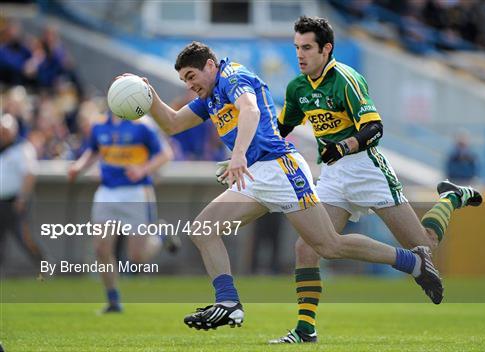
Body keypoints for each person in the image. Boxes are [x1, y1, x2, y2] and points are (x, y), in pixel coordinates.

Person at [142, 41, 446, 331]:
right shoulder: (209, 97)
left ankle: (412, 261)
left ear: (210, 65)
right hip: (255, 174)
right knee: (203, 230)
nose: (189, 85)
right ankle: (228, 302)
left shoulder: (232, 75)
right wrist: (148, 94)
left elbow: (250, 110)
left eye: (191, 76)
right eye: (184, 80)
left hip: (279, 169)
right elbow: (172, 124)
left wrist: (237, 156)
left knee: (328, 245)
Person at [266, 16, 483, 344]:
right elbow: (279, 131)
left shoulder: (346, 79)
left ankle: (451, 197)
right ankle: (305, 329)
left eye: (307, 47)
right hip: (334, 175)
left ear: (326, 49)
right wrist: (244, 155)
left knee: (424, 243)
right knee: (307, 247)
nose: (300, 54)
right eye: (297, 47)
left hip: (367, 169)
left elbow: (374, 129)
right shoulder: (297, 87)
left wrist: (343, 145)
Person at [68, 112, 174, 313]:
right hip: (107, 192)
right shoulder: (99, 126)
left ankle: (159, 235)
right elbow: (92, 152)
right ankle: (113, 300)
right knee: (101, 248)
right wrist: (78, 167)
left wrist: (143, 170)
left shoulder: (142, 126)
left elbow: (165, 154)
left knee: (136, 257)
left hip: (135, 193)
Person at [0, 113, 45, 271]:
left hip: (16, 201)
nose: (3, 134)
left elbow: (30, 173)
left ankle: (42, 266)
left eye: (6, 131)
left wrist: (22, 198)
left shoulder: (22, 148)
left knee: (24, 237)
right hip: (1, 202)